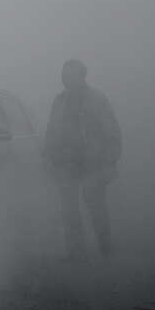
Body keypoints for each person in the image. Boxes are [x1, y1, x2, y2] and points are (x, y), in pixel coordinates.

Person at [43, 59, 121, 259]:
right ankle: (76, 254)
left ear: (81, 76)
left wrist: (110, 162)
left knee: (96, 207)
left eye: (69, 75)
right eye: (63, 75)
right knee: (69, 211)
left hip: (92, 163)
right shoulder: (59, 101)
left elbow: (112, 132)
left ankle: (106, 249)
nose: (64, 79)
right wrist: (48, 158)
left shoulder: (97, 99)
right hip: (65, 164)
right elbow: (51, 132)